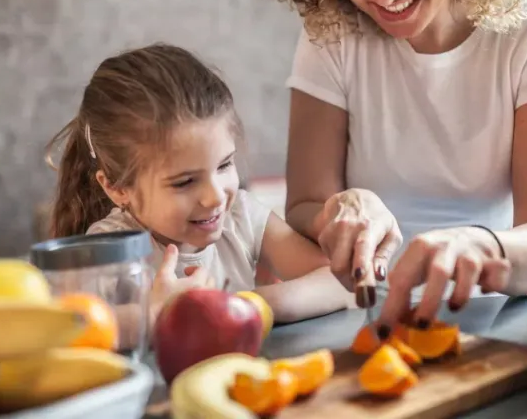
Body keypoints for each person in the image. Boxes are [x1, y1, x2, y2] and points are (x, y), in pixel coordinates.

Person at [249, 0, 527, 330]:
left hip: (490, 312)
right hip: (360, 312)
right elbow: (303, 206)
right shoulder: (332, 34)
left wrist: (479, 245)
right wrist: (340, 209)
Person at [46, 44, 354, 346]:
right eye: (184, 182)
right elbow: (65, 330)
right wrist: (157, 314)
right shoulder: (108, 248)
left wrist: (243, 305)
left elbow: (342, 283)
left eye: (224, 165)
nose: (215, 197)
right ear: (117, 188)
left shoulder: (241, 216)